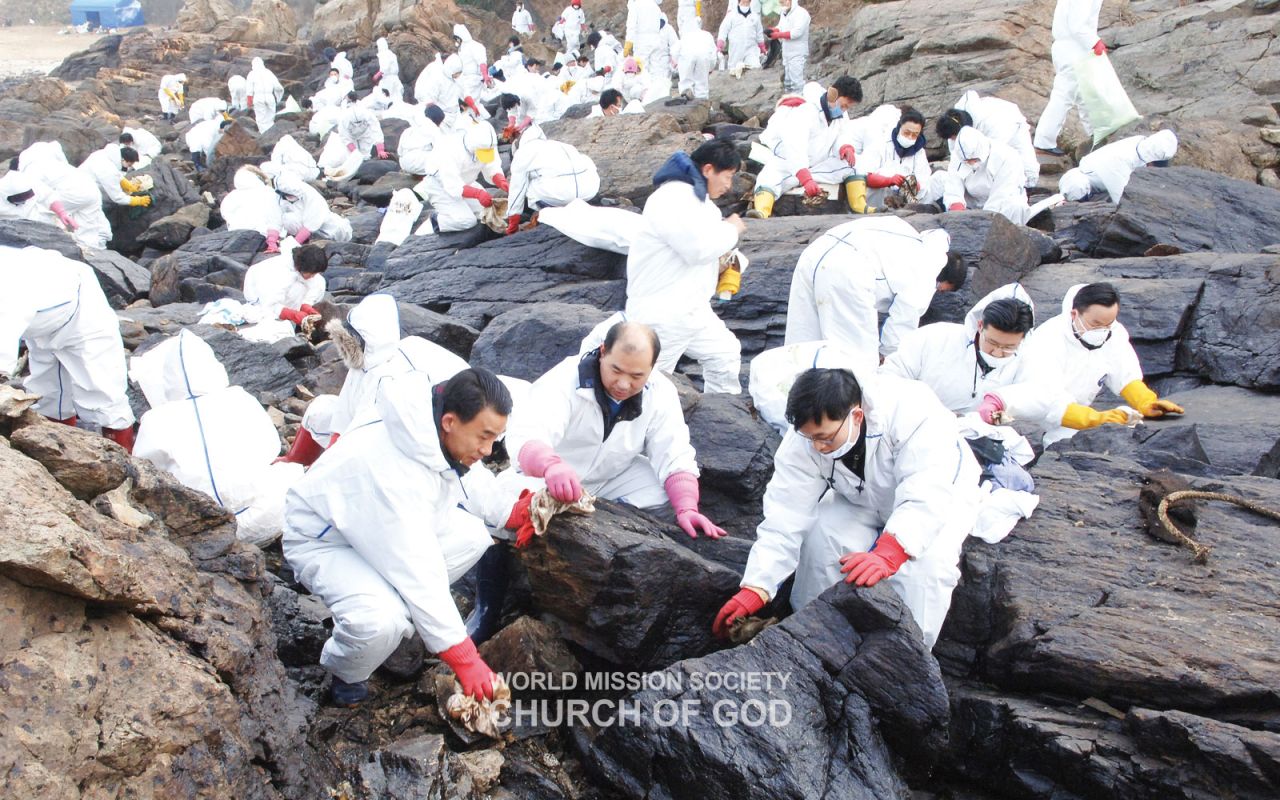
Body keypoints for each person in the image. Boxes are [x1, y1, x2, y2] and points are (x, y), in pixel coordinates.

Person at [470, 322, 724, 642]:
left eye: (637, 376)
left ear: (651, 369)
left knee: (664, 492)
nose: (623, 383)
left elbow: (674, 451)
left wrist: (687, 506)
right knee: (500, 509)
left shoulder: (660, 393)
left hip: (610, 478)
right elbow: (527, 434)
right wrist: (551, 465)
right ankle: (487, 608)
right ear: (603, 352)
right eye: (616, 370)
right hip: (549, 476)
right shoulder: (565, 379)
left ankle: (610, 531)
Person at [283, 368, 520, 705]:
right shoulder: (392, 471)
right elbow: (419, 569)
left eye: (495, 438)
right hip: (326, 539)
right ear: (450, 422)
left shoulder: (427, 427)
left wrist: (512, 513)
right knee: (379, 622)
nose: (488, 449)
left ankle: (397, 622)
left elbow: (470, 479)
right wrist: (464, 658)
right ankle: (348, 672)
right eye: (484, 437)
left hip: (381, 528)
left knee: (472, 535)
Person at [714, 366, 981, 649]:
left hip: (943, 497)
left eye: (826, 438)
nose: (818, 447)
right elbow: (785, 513)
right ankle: (811, 637)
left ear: (857, 416)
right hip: (861, 497)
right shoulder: (808, 434)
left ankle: (909, 654)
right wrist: (757, 586)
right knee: (822, 537)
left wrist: (890, 552)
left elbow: (927, 490)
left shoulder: (913, 411)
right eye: (811, 439)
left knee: (927, 570)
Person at [131, 329, 301, 545]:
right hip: (264, 519)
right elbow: (271, 447)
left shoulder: (155, 419)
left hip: (198, 530)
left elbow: (145, 469)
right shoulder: (239, 399)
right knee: (292, 470)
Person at [980, 282, 1184, 447]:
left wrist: (1145, 402)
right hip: (1031, 422)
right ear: (1074, 314)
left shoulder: (1113, 333)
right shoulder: (1048, 340)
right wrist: (1097, 419)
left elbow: (1125, 372)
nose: (1103, 330)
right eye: (1096, 324)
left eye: (1109, 324)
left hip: (1078, 417)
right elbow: (1045, 399)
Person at [282, 293, 470, 465]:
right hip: (386, 430)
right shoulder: (367, 362)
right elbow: (343, 418)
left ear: (366, 340)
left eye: (349, 340)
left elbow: (358, 434)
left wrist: (322, 472)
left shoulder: (389, 377)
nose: (345, 347)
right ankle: (294, 460)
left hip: (426, 441)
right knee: (321, 409)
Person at [623, 139, 746, 393]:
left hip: (693, 308)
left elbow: (700, 251)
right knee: (651, 382)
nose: (729, 185)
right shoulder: (672, 197)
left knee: (725, 353)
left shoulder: (700, 202)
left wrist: (723, 263)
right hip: (663, 311)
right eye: (728, 176)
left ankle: (723, 412)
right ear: (708, 169)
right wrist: (731, 230)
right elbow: (697, 249)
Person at [784, 216, 965, 374]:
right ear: (945, 279)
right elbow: (903, 320)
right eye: (942, 289)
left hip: (815, 252)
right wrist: (887, 356)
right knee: (856, 361)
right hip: (849, 269)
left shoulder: (908, 235)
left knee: (803, 343)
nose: (938, 292)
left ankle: (789, 392)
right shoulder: (929, 268)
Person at [0, 245, 135, 450]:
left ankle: (123, 458)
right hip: (41, 320)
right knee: (47, 392)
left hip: (79, 305)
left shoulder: (8, 292)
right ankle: (52, 454)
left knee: (102, 392)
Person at [881, 285, 1037, 415]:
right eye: (992, 342)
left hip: (981, 435)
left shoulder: (1026, 362)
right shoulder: (933, 338)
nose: (997, 352)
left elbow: (1033, 402)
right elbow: (888, 379)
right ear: (980, 325)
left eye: (1008, 347)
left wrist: (998, 409)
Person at [749, 76, 864, 218]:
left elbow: (843, 135)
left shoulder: (841, 116)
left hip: (816, 165)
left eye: (847, 107)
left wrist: (845, 147)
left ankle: (861, 207)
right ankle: (762, 211)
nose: (844, 110)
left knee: (853, 165)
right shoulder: (806, 112)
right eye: (844, 105)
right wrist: (805, 177)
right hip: (789, 162)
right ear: (833, 94)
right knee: (769, 177)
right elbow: (794, 145)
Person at [944, 127, 1063, 225]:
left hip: (1002, 206)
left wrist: (983, 220)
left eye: (974, 160)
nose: (970, 163)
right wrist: (956, 205)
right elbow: (953, 183)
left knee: (1016, 208)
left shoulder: (1007, 156)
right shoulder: (958, 156)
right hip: (970, 205)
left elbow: (1001, 195)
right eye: (966, 161)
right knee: (939, 178)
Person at [10, 143, 113, 249]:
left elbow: (37, 195)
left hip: (74, 192)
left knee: (42, 211)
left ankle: (44, 243)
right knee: (87, 229)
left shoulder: (31, 170)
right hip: (92, 189)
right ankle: (92, 251)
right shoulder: (53, 164)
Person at [1034, 0, 1105, 155]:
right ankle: (1043, 141)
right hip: (1074, 48)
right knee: (1064, 95)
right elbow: (1078, 26)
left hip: (1069, 47)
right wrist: (1095, 42)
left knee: (1083, 93)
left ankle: (1096, 133)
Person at [412, 121, 507, 234]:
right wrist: (478, 194)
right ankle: (433, 222)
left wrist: (502, 181)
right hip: (440, 186)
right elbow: (452, 185)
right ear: (472, 144)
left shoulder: (488, 145)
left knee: (485, 212)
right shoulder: (450, 149)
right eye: (483, 152)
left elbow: (491, 166)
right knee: (466, 221)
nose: (486, 153)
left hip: (466, 182)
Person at [504, 124, 600, 234]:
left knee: (525, 184)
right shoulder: (561, 145)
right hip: (588, 192)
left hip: (560, 197)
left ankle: (546, 216)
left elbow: (517, 189)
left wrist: (513, 224)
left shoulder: (523, 152)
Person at [944, 90, 1040, 188]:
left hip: (1010, 122)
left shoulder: (993, 125)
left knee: (1027, 171)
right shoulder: (953, 124)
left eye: (954, 138)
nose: (953, 140)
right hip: (990, 123)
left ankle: (1026, 186)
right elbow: (955, 154)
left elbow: (993, 154)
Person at [1059, 129, 1178, 203]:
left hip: (1103, 187)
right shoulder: (1121, 161)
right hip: (1089, 186)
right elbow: (1121, 199)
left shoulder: (1143, 143)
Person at [856, 107, 935, 209]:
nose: (910, 137)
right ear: (899, 127)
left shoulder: (919, 152)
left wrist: (912, 185)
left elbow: (924, 180)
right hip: (878, 200)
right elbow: (864, 176)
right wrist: (889, 180)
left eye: (915, 135)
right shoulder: (880, 143)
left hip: (907, 200)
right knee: (884, 173)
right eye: (906, 133)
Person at [242, 243, 327, 325]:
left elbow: (314, 285)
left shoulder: (303, 270)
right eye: (312, 273)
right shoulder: (278, 273)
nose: (313, 276)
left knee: (319, 282)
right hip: (261, 302)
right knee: (298, 288)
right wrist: (291, 314)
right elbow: (269, 304)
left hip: (284, 297)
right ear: (301, 267)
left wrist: (306, 305)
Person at [273, 171, 354, 244]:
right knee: (289, 219)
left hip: (324, 227)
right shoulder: (278, 197)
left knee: (340, 228)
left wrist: (295, 242)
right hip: (302, 226)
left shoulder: (311, 195)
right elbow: (275, 218)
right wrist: (272, 240)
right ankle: (303, 239)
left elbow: (313, 222)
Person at [79, 144, 151, 210]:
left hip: (80, 179)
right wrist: (137, 201)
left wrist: (128, 185)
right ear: (123, 160)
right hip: (82, 194)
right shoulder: (108, 171)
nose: (129, 167)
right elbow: (117, 197)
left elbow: (116, 171)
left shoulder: (106, 154)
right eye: (129, 165)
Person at [769, 0, 810, 92]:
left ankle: (799, 98)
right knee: (787, 82)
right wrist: (773, 31)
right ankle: (789, 99)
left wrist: (778, 35)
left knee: (797, 83)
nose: (782, 2)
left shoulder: (801, 13)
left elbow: (797, 32)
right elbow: (780, 27)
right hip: (787, 53)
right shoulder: (784, 13)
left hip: (798, 53)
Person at [717, 0, 766, 76]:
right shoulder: (731, 15)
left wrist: (762, 48)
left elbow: (759, 33)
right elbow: (723, 30)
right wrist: (720, 45)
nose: (746, 2)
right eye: (744, 1)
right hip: (736, 50)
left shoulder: (755, 16)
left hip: (751, 49)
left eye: (747, 2)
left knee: (754, 68)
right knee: (734, 72)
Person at [398, 104, 448, 175]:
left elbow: (399, 152)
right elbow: (441, 150)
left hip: (403, 163)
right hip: (418, 162)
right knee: (445, 159)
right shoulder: (433, 128)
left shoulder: (410, 129)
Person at [676, 22, 718, 100]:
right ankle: (702, 102)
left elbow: (675, 52)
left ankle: (686, 96)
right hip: (704, 56)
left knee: (686, 82)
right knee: (702, 84)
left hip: (687, 56)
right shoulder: (707, 35)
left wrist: (676, 66)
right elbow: (713, 54)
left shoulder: (685, 35)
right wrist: (710, 68)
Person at [246, 57, 285, 133]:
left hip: (258, 97)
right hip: (270, 97)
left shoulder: (252, 74)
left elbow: (249, 89)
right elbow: (278, 87)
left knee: (261, 118)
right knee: (270, 117)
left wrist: (249, 101)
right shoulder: (268, 72)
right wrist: (278, 98)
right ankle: (272, 133)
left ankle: (264, 134)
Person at [453, 24, 492, 100]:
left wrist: (485, 76)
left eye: (456, 38)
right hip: (466, 78)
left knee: (470, 100)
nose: (456, 41)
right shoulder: (462, 48)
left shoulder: (474, 46)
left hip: (474, 79)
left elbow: (482, 62)